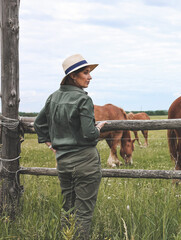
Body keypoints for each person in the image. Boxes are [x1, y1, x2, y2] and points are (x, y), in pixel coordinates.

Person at [34, 54, 107, 239]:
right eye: (86, 72)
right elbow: (90, 134)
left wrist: (48, 141)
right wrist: (98, 129)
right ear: (73, 76)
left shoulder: (54, 97)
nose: (90, 77)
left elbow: (38, 123)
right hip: (85, 162)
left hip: (63, 162)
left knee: (68, 208)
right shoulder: (83, 99)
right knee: (84, 212)